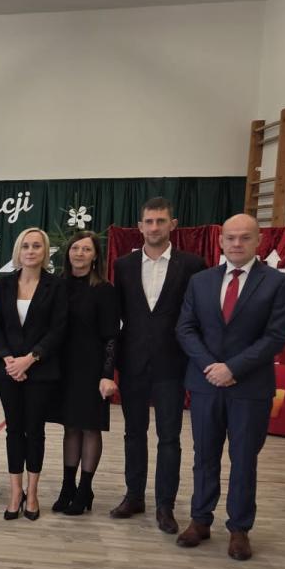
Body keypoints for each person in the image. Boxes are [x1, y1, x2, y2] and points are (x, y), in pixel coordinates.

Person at [175, 213, 285, 561]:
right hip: (206, 383)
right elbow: (185, 328)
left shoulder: (276, 283)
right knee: (204, 456)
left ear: (259, 241)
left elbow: (276, 336)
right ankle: (200, 520)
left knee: (243, 460)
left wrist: (233, 368)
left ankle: (239, 528)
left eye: (245, 237)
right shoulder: (200, 281)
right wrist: (211, 367)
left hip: (249, 387)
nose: (237, 243)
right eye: (230, 237)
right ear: (221, 241)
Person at [110, 197, 207, 534]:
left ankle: (165, 505)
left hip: (172, 364)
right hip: (133, 363)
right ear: (140, 226)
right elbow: (118, 318)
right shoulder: (123, 265)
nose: (154, 227)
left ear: (172, 224)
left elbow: (198, 317)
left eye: (160, 221)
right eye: (149, 221)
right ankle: (134, 496)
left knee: (169, 437)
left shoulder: (192, 265)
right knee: (133, 433)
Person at [0, 227, 67, 522]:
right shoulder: (4, 284)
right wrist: (8, 358)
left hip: (40, 370)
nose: (31, 251)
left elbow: (58, 329)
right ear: (18, 251)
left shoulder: (56, 286)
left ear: (45, 251)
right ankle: (15, 492)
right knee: (13, 431)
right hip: (8, 369)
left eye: (36, 246)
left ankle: (32, 493)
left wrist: (30, 359)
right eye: (26, 246)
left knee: (34, 431)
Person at [52, 231, 119, 516]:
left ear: (95, 256)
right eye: (75, 248)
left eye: (86, 249)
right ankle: (67, 486)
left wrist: (107, 374)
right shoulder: (57, 285)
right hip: (64, 368)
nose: (79, 253)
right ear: (68, 253)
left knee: (90, 427)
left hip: (92, 368)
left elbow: (111, 336)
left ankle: (85, 488)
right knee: (70, 427)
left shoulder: (104, 289)